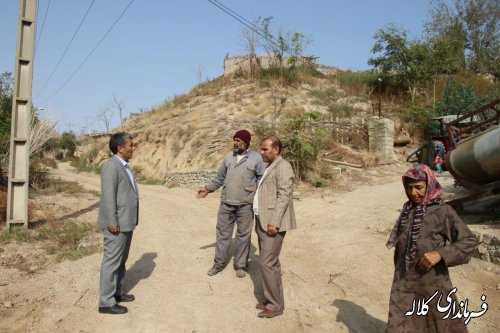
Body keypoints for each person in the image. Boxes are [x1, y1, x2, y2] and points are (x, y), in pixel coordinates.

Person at [386, 163, 477, 332]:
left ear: (429, 185)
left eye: (419, 187)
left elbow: (469, 240)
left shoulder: (443, 211)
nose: (414, 193)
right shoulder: (407, 211)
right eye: (410, 187)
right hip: (405, 283)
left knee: (439, 325)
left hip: (433, 284)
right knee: (399, 323)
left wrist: (440, 254)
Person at [197, 129, 265, 278]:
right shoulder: (228, 157)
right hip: (226, 204)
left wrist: (256, 190)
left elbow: (262, 177)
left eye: (238, 140)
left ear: (246, 142)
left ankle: (240, 265)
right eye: (234, 140)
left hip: (246, 205)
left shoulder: (256, 158)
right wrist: (208, 189)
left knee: (243, 236)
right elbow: (219, 178)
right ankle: (218, 263)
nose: (235, 143)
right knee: (222, 234)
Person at [254, 136, 296, 318]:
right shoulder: (269, 167)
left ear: (276, 150)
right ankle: (271, 299)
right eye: (261, 149)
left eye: (265, 150)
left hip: (272, 223)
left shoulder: (284, 167)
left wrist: (275, 222)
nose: (261, 152)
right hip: (262, 221)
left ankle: (275, 305)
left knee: (267, 263)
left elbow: (284, 195)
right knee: (270, 263)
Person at [98, 132, 139, 315]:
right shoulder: (111, 167)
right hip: (117, 224)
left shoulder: (124, 166)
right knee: (111, 261)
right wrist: (112, 222)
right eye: (130, 145)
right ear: (120, 148)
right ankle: (106, 302)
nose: (133, 148)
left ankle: (117, 293)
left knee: (121, 260)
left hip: (126, 222)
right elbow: (108, 197)